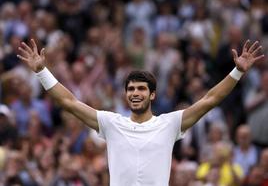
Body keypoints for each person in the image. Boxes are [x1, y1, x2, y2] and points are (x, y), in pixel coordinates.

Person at [17, 39, 264, 186]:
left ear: (152, 95)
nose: (135, 93)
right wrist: (41, 71)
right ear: (126, 95)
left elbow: (210, 100)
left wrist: (238, 72)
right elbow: (69, 102)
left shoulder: (171, 123)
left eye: (141, 89)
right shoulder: (110, 122)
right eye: (131, 89)